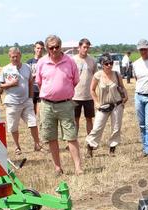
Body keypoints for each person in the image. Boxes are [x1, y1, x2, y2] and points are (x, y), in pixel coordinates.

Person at [36, 34, 82, 175]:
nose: (55, 50)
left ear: (60, 46)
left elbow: (75, 80)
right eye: (51, 47)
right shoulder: (42, 62)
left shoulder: (70, 62)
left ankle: (78, 168)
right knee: (51, 137)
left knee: (71, 136)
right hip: (47, 105)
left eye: (57, 46)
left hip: (66, 104)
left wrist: (63, 91)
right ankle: (57, 167)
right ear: (47, 48)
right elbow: (39, 82)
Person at [0, 47, 41, 154]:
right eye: (12, 57)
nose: (15, 59)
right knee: (13, 126)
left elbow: (31, 82)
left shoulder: (27, 67)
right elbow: (0, 85)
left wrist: (30, 98)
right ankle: (17, 147)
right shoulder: (5, 69)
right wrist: (10, 84)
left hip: (26, 101)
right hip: (12, 102)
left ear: (20, 56)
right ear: (9, 57)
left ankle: (37, 144)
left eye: (17, 56)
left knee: (33, 122)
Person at [85, 53, 127, 156]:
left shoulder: (117, 74)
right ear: (102, 64)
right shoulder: (97, 75)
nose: (109, 65)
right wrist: (96, 102)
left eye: (111, 63)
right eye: (106, 63)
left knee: (116, 128)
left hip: (116, 105)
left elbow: (122, 87)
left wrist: (125, 96)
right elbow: (92, 90)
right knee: (97, 128)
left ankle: (112, 149)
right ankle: (90, 147)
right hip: (103, 106)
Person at [73, 38, 96, 136]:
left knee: (89, 119)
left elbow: (96, 77)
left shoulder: (92, 60)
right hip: (75, 96)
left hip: (88, 96)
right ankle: (73, 141)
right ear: (79, 47)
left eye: (87, 47)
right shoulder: (72, 60)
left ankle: (90, 141)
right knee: (75, 119)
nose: (86, 49)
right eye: (84, 47)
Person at [26, 41, 45, 113]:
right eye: (38, 48)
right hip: (32, 89)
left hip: (42, 89)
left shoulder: (46, 61)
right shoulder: (29, 62)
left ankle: (41, 124)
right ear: (34, 49)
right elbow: (26, 75)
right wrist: (32, 76)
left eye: (41, 48)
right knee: (32, 111)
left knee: (42, 111)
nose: (39, 50)